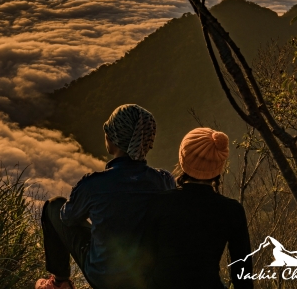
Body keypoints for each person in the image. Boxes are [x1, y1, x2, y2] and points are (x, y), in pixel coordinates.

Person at [35, 104, 176, 289]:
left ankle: (60, 282)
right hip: (146, 279)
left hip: (103, 278)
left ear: (112, 138)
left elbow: (67, 218)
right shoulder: (164, 181)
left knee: (53, 206)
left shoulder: (93, 184)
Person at [144, 128, 253, 289]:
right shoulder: (232, 210)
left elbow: (143, 259)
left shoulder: (159, 203)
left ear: (183, 159)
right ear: (219, 166)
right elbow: (242, 274)